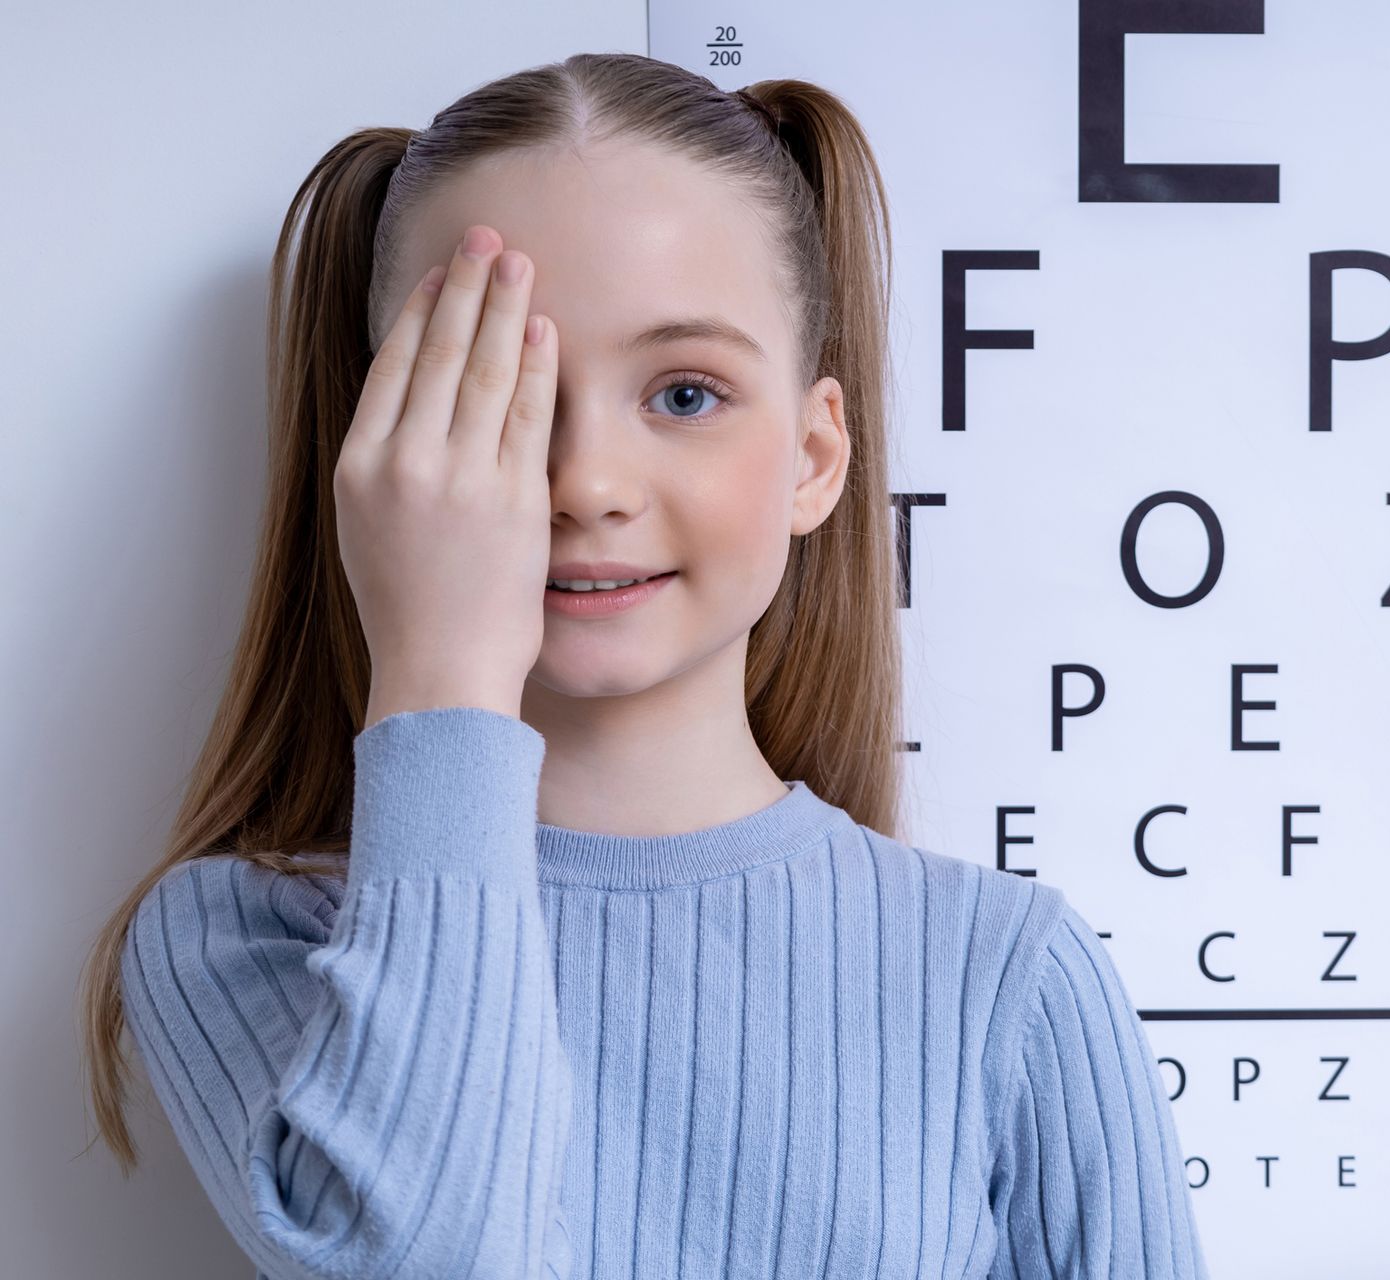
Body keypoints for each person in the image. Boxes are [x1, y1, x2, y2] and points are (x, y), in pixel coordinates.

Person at [77, 51, 1209, 1279]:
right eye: (494, 398)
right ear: (381, 455)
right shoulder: (242, 934)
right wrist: (444, 663)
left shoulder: (1006, 972)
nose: (586, 484)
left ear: (816, 457)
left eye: (684, 394)